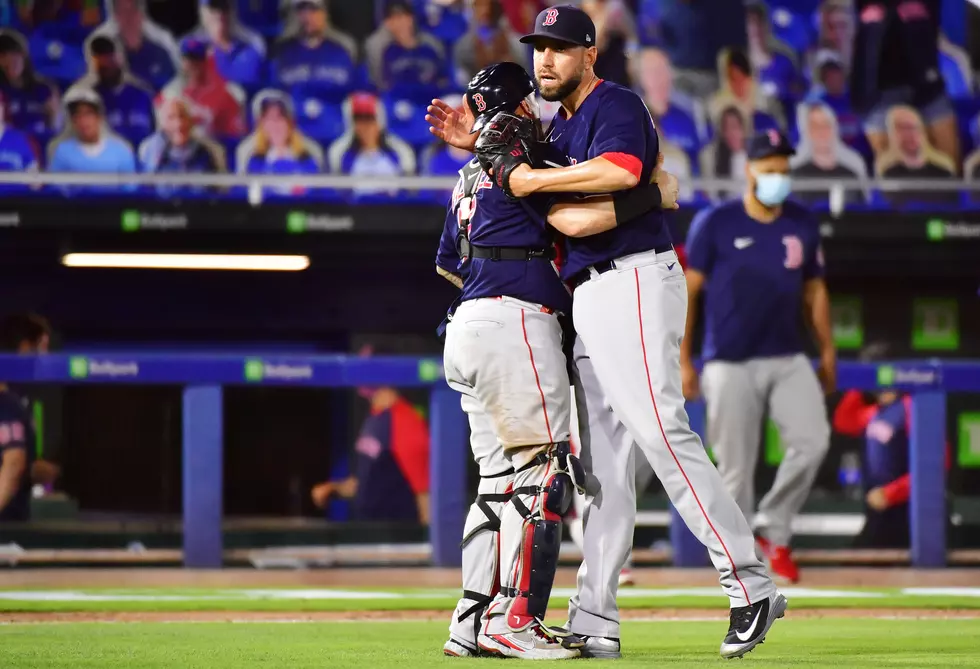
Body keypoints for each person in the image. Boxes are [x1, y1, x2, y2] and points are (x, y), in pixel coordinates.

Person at [430, 6, 785, 660]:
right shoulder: (551, 131)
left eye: (561, 48)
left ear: (588, 54)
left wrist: (537, 178)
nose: (546, 60)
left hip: (635, 278)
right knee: (600, 471)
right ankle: (594, 614)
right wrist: (496, 151)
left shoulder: (613, 104)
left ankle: (751, 583)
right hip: (588, 295)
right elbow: (575, 213)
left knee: (659, 427)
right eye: (539, 48)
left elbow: (616, 178)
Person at [432, 61, 679, 660]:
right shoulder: (528, 162)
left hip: (465, 324)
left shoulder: (468, 176)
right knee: (542, 476)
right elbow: (577, 211)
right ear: (519, 108)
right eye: (530, 106)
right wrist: (654, 195)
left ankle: (469, 621)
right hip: (517, 320)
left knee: (495, 482)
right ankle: (513, 620)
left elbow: (447, 263)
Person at [682, 129, 834, 584]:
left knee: (813, 442)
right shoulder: (715, 221)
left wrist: (828, 350)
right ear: (749, 169)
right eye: (770, 170)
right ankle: (742, 564)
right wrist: (684, 358)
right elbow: (690, 294)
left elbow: (815, 289)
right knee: (735, 469)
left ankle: (774, 530)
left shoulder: (802, 222)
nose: (778, 179)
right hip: (728, 358)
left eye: (784, 171)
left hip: (788, 354)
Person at [310, 368, 430, 524]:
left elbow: (425, 493)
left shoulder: (405, 420)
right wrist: (334, 489)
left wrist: (428, 543)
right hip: (369, 532)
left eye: (365, 368)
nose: (358, 375)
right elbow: (364, 482)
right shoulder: (374, 418)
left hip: (397, 536)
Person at [851, 0, 960, 169]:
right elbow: (862, 41)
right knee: (888, 161)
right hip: (880, 89)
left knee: (950, 160)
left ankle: (950, 192)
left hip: (925, 83)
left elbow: (931, 28)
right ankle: (894, 193)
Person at [72, 35, 156, 150]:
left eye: (110, 55)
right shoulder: (89, 100)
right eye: (99, 56)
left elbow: (156, 138)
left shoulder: (143, 95)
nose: (105, 61)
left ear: (121, 58)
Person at [47, 87, 137, 192]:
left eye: (88, 114)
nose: (83, 121)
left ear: (99, 117)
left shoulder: (121, 151)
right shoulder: (62, 152)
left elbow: (130, 193)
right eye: (77, 115)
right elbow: (56, 192)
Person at [237, 90, 323, 197]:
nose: (275, 125)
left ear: (289, 123)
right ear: (261, 125)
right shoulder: (253, 159)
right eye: (269, 119)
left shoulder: (308, 155)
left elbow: (315, 193)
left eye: (279, 118)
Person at [159, 37, 246, 140]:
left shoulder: (224, 92)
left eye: (196, 59)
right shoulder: (170, 92)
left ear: (205, 62)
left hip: (212, 148)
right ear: (182, 62)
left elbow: (235, 134)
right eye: (187, 59)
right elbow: (161, 132)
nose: (192, 65)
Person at [138, 95, 226, 196]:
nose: (178, 124)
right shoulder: (150, 151)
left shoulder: (211, 151)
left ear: (191, 121)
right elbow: (145, 194)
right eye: (171, 118)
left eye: (182, 116)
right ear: (161, 124)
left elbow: (220, 193)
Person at [874, 105, 958, 207]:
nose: (908, 134)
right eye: (900, 128)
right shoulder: (887, 175)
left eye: (912, 127)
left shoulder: (943, 171)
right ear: (892, 136)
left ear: (922, 132)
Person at [91, 0, 182, 91]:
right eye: (122, 11)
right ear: (115, 17)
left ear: (141, 14)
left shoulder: (160, 53)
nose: (129, 17)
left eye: (132, 10)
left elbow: (175, 89)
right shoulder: (106, 55)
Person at [790, 102, 868, 206]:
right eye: (815, 126)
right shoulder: (796, 175)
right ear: (806, 130)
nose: (821, 131)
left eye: (826, 124)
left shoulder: (851, 173)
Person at [365, 0, 451, 94]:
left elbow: (443, 79)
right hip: (398, 101)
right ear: (387, 23)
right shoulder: (386, 50)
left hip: (430, 98)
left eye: (404, 17)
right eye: (395, 18)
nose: (401, 23)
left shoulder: (429, 47)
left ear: (411, 19)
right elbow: (381, 85)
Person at [0, 30, 60, 156]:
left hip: (43, 149)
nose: (10, 60)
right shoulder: (2, 92)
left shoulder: (45, 89)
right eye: (3, 54)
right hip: (11, 152)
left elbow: (56, 125)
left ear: (24, 56)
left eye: (14, 54)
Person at [186, 0, 266, 88]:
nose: (220, 13)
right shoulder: (191, 51)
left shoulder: (254, 48)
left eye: (224, 7)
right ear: (202, 12)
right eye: (214, 7)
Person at [452, 0, 526, 80]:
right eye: (480, 5)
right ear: (473, 8)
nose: (486, 10)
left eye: (491, 5)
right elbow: (461, 79)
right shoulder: (463, 46)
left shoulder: (515, 43)